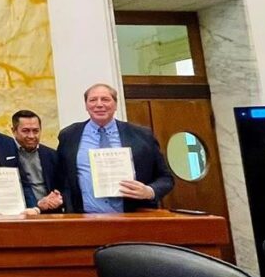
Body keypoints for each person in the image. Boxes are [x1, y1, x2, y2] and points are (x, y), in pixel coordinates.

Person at [56, 83, 175, 213]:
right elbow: (61, 178)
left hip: (133, 217)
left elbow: (166, 178)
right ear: (86, 105)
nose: (99, 104)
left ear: (116, 104)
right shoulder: (69, 136)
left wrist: (149, 191)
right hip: (85, 220)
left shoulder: (142, 135)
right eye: (93, 100)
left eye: (105, 99)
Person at [10, 109, 62, 213]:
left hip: (50, 213)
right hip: (21, 214)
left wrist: (57, 197)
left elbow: (62, 186)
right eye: (25, 131)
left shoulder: (51, 155)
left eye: (35, 131)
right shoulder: (6, 154)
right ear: (14, 131)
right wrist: (36, 206)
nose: (31, 136)